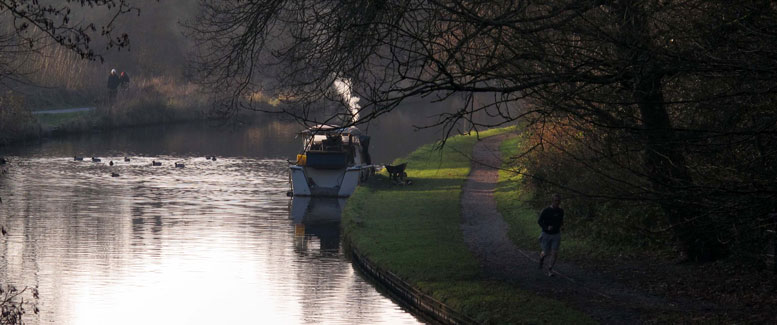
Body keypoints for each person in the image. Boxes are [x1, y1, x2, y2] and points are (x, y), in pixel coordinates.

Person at [538, 193, 564, 276]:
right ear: (552, 201)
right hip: (546, 234)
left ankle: (550, 269)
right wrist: (546, 227)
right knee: (546, 252)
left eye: (559, 201)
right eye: (556, 201)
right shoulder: (546, 211)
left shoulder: (561, 211)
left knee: (554, 253)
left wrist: (561, 227)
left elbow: (560, 221)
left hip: (556, 235)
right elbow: (539, 221)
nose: (557, 202)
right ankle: (542, 257)